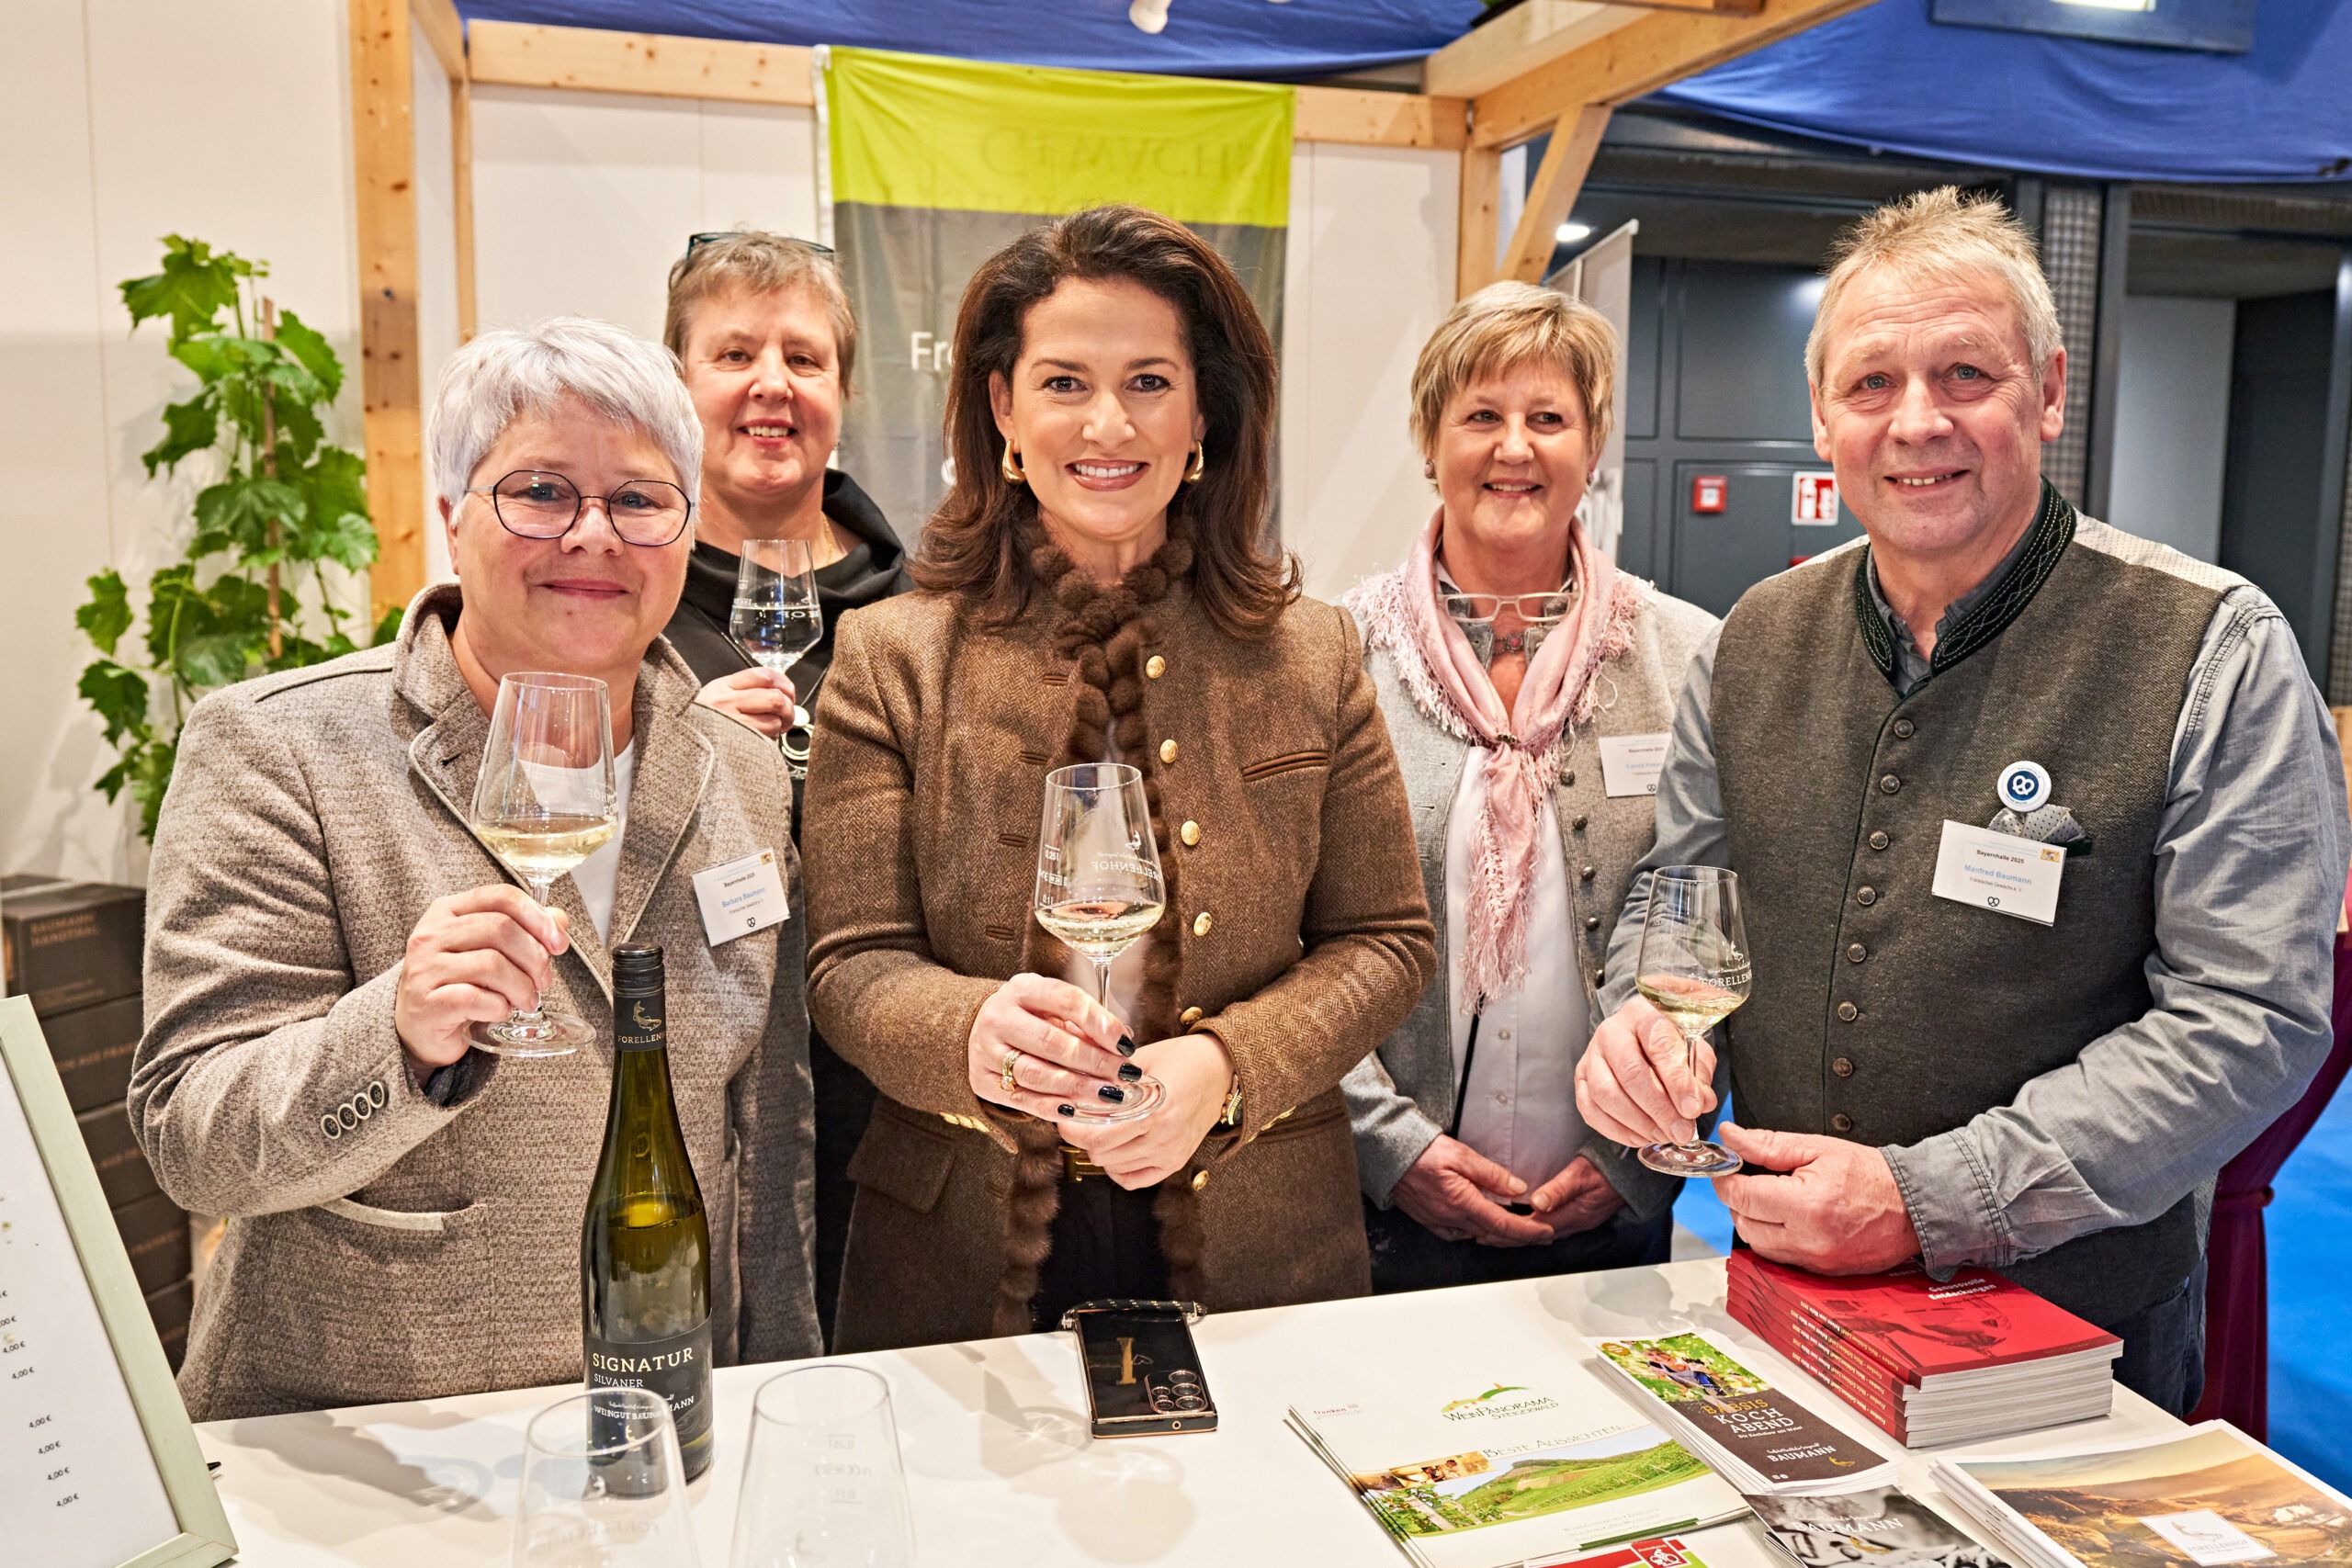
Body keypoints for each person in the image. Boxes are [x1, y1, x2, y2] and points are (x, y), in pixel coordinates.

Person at [1574, 187, 2351, 1416]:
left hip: (2065, 1344)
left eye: (1967, 374)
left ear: (2046, 392)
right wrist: (1644, 1035)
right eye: (1873, 383)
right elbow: (1678, 916)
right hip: (1781, 1304)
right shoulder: (1755, 641)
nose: (1918, 421)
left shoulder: (2215, 646)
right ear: (1822, 414)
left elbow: (2247, 1017)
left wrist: (1931, 1198)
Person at [131, 318, 821, 1419]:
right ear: (453, 520)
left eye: (640, 500)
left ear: (688, 535)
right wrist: (395, 1033)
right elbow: (193, 1138)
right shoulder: (280, 748)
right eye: (540, 491)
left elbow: (765, 1130)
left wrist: (778, 1382)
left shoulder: (738, 764)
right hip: (365, 1438)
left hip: (666, 1415)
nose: (594, 535)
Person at [801, 205, 1438, 1351]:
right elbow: (849, 966)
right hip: (954, 1253)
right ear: (1002, 408)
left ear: (1205, 414)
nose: (1108, 423)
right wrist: (970, 1034)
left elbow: (1387, 939)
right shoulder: (891, 657)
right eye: (1063, 382)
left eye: (1150, 380)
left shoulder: (1312, 651)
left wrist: (1229, 1066)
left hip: (1260, 1236)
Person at [1342, 282, 1716, 1292]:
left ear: (1591, 448)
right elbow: (1284, 939)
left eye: (1548, 418)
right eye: (1481, 417)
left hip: (1612, 1212)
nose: (1515, 447)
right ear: (1430, 441)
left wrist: (1633, 1158)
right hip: (1375, 1215)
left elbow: (1716, 913)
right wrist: (1389, 1150)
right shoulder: (1333, 658)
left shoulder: (1689, 656)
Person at [656, 230, 910, 1347]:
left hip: (892, 1100)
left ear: (842, 391)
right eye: (734, 354)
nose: (771, 385)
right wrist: (673, 755)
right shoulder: (616, 603)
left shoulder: (925, 608)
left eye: (803, 359)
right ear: (678, 384)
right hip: (683, 1096)